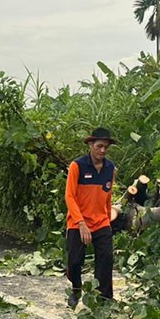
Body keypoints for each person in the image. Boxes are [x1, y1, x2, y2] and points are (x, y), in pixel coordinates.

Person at [64, 127, 117, 308]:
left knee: (106, 259)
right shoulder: (76, 166)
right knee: (75, 261)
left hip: (101, 221)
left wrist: (108, 221)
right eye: (99, 146)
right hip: (78, 221)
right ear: (90, 144)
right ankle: (76, 289)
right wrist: (80, 223)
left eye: (105, 147)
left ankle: (104, 298)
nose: (102, 151)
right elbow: (69, 196)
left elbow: (108, 196)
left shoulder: (110, 168)